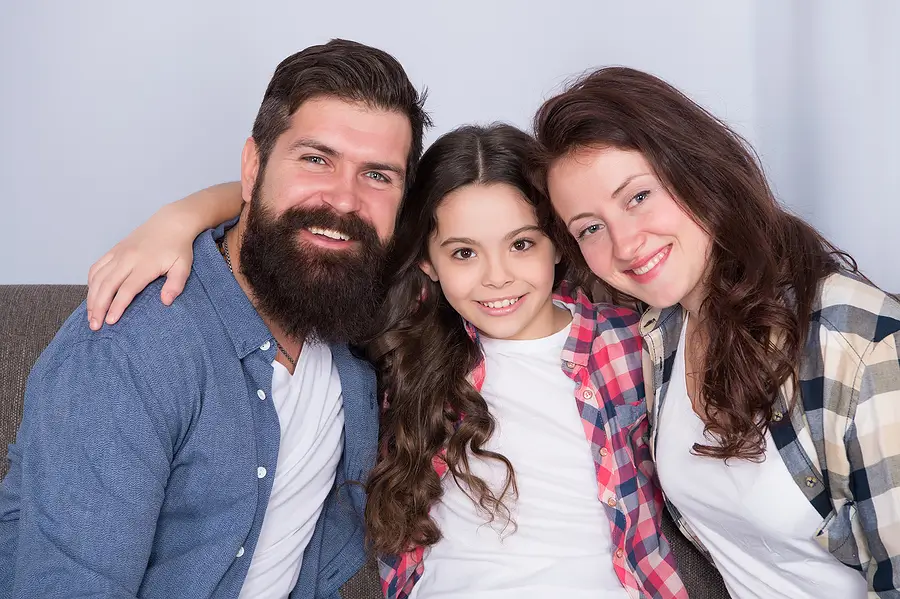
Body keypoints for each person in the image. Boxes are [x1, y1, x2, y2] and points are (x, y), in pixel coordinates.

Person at [77, 124, 689, 598]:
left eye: (522, 244)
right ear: (427, 261)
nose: (497, 277)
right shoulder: (405, 345)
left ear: (560, 242)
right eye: (464, 252)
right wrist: (181, 218)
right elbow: (294, 221)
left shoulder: (633, 339)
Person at [0, 38, 429, 599]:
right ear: (253, 166)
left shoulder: (365, 312)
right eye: (316, 159)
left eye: (377, 175)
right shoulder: (136, 343)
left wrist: (190, 210)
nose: (343, 200)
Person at [534, 66, 900, 598]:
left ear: (698, 171)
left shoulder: (856, 343)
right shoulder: (661, 331)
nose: (625, 243)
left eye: (637, 197)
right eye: (590, 227)